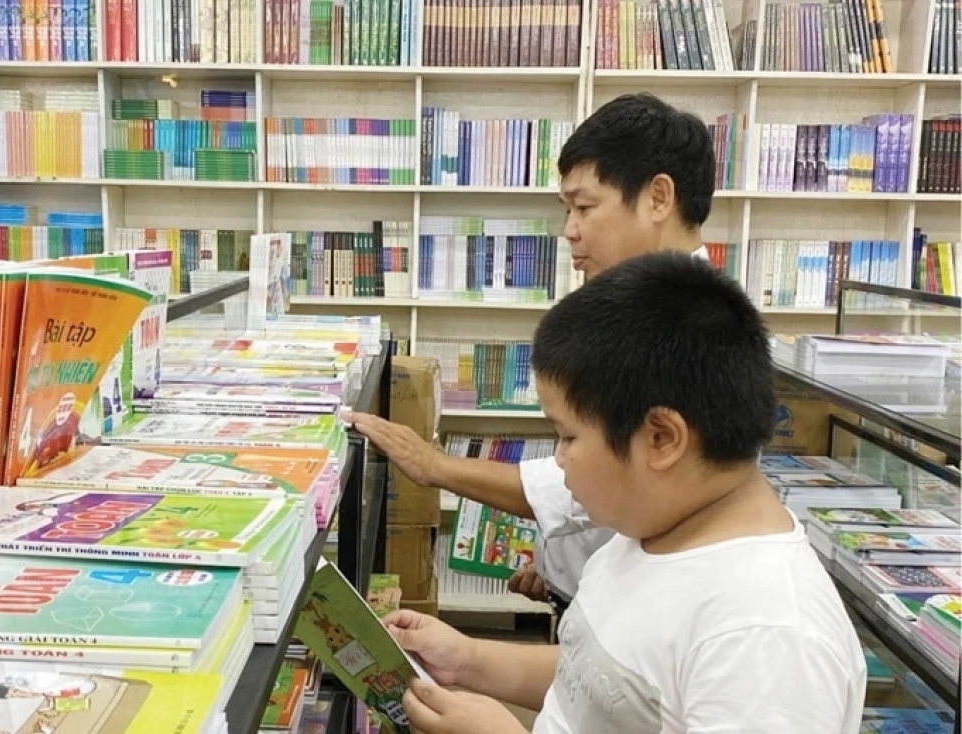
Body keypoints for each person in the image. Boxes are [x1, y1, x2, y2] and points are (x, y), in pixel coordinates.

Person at [385, 252, 866, 733]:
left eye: (568, 436)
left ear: (661, 439)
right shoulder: (648, 532)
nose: (559, 458)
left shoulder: (769, 636)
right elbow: (599, 682)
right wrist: (466, 660)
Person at [345, 92, 717, 607]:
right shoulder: (643, 309)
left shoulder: (688, 332)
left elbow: (597, 481)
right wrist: (562, 558)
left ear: (657, 198)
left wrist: (433, 466)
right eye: (567, 209)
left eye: (584, 207)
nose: (569, 230)